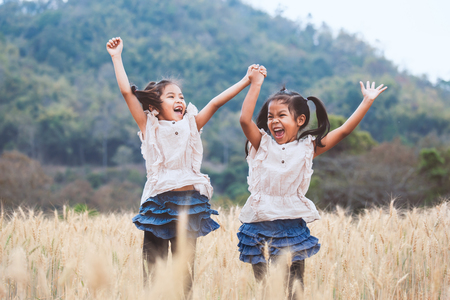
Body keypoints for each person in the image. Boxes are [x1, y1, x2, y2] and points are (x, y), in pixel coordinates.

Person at [106, 37, 264, 295]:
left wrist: (247, 80)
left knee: (184, 274)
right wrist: (116, 57)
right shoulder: (150, 126)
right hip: (158, 204)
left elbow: (215, 102)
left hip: (189, 205)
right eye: (171, 96)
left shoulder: (191, 124)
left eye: (181, 96)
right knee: (153, 271)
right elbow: (126, 92)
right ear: (155, 107)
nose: (179, 99)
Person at [238, 65, 387, 296]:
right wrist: (255, 84)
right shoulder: (262, 144)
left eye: (281, 115)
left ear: (300, 120)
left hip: (292, 226)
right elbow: (244, 119)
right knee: (265, 290)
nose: (274, 121)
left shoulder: (307, 148)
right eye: (270, 116)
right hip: (260, 226)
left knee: (295, 289)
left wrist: (367, 101)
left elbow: (345, 130)